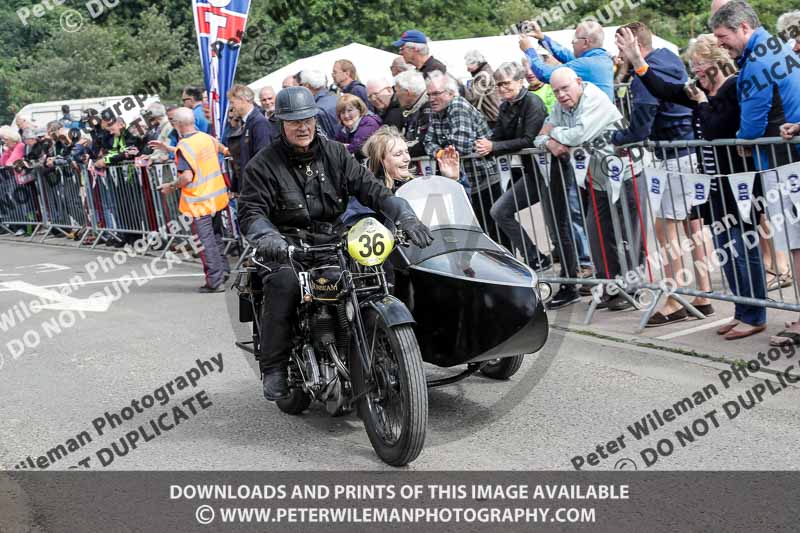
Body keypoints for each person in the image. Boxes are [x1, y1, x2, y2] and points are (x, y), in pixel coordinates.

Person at [237, 86, 433, 400]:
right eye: (293, 121)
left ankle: (384, 347)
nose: (302, 127)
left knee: (372, 274)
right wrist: (268, 236)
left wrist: (405, 215)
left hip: (331, 240)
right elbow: (250, 211)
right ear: (281, 124)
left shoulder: (335, 154)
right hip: (286, 245)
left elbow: (373, 189)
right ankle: (274, 366)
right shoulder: (263, 164)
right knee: (284, 283)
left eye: (308, 120)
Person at [617, 29, 767, 338]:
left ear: (716, 62)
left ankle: (755, 313)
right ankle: (740, 310)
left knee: (743, 246)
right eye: (694, 64)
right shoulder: (702, 89)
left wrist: (700, 103)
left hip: (739, 183)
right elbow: (665, 90)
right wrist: (635, 60)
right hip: (714, 182)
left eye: (699, 64)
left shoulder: (733, 88)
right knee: (725, 247)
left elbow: (715, 129)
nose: (695, 70)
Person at [612, 22, 715, 324]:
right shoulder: (669, 57)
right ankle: (704, 296)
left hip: (675, 156)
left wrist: (616, 139)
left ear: (634, 44)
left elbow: (640, 126)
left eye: (620, 47)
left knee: (665, 227)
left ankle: (674, 300)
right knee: (694, 227)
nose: (616, 54)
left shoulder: (644, 77)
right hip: (692, 151)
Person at [534, 67, 643, 310]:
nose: (561, 95)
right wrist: (550, 140)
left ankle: (634, 289)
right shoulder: (561, 107)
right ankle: (611, 287)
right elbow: (539, 136)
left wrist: (556, 135)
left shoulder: (594, 98)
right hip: (597, 178)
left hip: (625, 173)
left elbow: (579, 135)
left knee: (627, 234)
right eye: (556, 91)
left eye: (565, 88)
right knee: (597, 235)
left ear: (579, 83)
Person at [475, 62, 550, 269]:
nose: (501, 89)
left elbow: (529, 139)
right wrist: (484, 145)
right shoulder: (505, 106)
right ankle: (534, 257)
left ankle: (578, 269)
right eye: (498, 85)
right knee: (499, 211)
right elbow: (498, 136)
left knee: (556, 226)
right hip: (531, 173)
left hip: (548, 170)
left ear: (520, 81)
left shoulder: (532, 102)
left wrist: (494, 145)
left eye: (506, 84)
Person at [423, 71, 507, 249]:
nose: (431, 98)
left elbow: (460, 146)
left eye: (436, 93)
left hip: (483, 178)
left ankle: (511, 268)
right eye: (429, 94)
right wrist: (441, 154)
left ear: (450, 93)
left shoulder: (457, 105)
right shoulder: (437, 112)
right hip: (466, 181)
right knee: (477, 231)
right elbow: (428, 142)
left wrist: (443, 150)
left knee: (495, 232)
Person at [157, 107, 230, 292]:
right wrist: (170, 149)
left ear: (178, 125)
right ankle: (224, 272)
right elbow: (224, 151)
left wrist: (170, 186)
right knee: (216, 237)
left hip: (199, 202)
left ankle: (214, 281)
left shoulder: (184, 147)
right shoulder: (205, 138)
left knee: (205, 243)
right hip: (217, 198)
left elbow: (187, 177)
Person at [519, 20, 614, 101]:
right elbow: (567, 56)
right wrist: (543, 38)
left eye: (574, 39)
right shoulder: (601, 59)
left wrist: (529, 50)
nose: (572, 42)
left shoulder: (586, 64)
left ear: (585, 43)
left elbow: (545, 74)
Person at [228, 84, 276, 175]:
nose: (231, 107)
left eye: (232, 102)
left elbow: (262, 160)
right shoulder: (246, 123)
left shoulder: (259, 123)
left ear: (242, 100)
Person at [334, 94, 382, 162]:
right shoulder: (343, 128)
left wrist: (343, 148)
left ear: (360, 109)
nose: (346, 115)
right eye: (342, 112)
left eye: (350, 110)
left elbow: (356, 146)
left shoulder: (369, 123)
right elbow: (335, 148)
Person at [394, 69, 431, 158]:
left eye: (397, 91)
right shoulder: (414, 108)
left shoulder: (429, 108)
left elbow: (424, 143)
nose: (396, 95)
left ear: (408, 92)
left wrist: (395, 152)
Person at [464, 50, 500, 129]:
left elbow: (472, 96)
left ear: (476, 62)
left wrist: (460, 87)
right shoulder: (486, 72)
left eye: (468, 65)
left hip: (490, 118)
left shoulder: (483, 76)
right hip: (492, 116)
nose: (467, 69)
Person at [299, 69, 340, 138]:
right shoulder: (337, 98)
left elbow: (326, 140)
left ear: (307, 85)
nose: (301, 88)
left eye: (301, 85)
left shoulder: (317, 110)